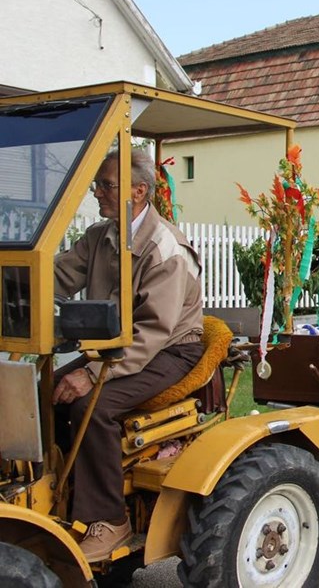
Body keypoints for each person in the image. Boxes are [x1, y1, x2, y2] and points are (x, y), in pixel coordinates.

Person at [53, 150, 204, 562]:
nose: (96, 192)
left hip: (170, 349)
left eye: (106, 185)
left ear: (138, 191)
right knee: (47, 392)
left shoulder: (165, 248)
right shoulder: (102, 236)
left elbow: (153, 332)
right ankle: (64, 492)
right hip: (118, 347)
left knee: (90, 405)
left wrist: (91, 373)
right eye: (97, 184)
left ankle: (108, 519)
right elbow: (56, 276)